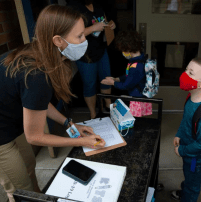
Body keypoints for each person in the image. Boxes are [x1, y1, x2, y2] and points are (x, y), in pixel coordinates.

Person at [0, 5, 106, 202]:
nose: (85, 41)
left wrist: (69, 124)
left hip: (11, 122)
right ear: (58, 40)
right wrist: (80, 142)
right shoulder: (36, 74)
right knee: (19, 189)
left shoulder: (43, 55)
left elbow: (37, 104)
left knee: (29, 169)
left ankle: (37, 198)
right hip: (1, 134)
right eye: (80, 36)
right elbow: (35, 136)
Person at [171, 57, 201, 201]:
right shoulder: (190, 99)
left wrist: (182, 150)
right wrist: (179, 134)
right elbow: (186, 121)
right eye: (186, 69)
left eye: (191, 73)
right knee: (189, 178)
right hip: (188, 151)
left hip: (195, 160)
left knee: (193, 185)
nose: (184, 75)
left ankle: (187, 196)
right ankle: (185, 191)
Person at [67, 0, 116, 119]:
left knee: (107, 79)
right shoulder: (73, 7)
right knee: (90, 84)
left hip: (100, 50)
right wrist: (93, 28)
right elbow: (71, 33)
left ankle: (108, 106)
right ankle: (93, 113)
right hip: (84, 54)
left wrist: (110, 24)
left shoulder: (98, 5)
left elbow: (103, 20)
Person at [101, 30, 152, 117]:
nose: (122, 52)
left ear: (128, 48)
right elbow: (130, 77)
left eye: (123, 50)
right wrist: (117, 79)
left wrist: (112, 83)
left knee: (134, 121)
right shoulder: (139, 59)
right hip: (139, 97)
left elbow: (126, 85)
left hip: (137, 100)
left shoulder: (136, 66)